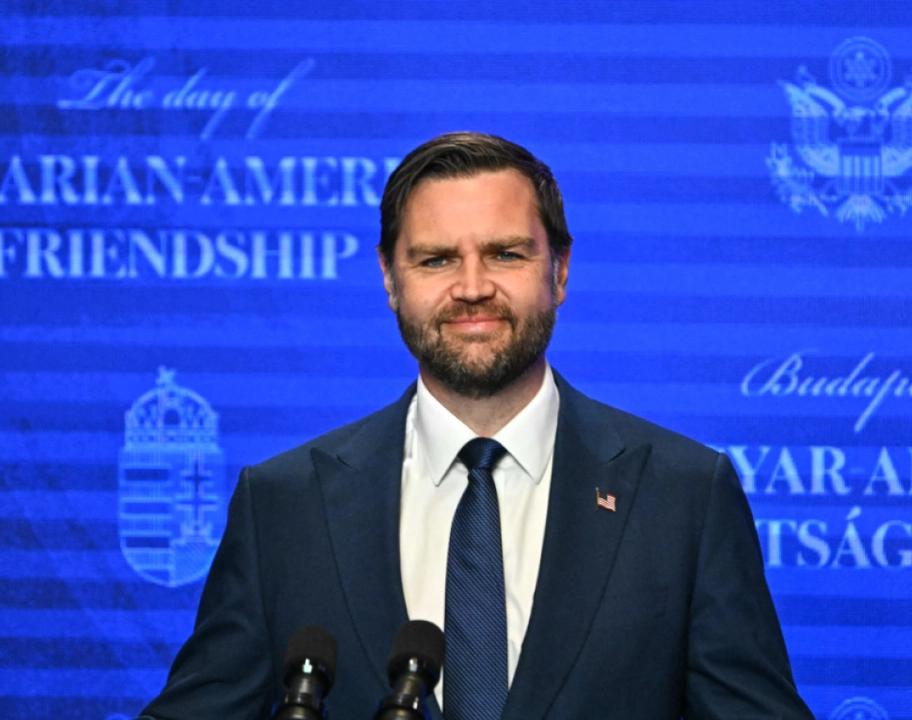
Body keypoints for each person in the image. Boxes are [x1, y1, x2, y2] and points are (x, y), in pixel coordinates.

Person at [137, 132, 814, 720]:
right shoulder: (284, 506)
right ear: (389, 279)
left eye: (505, 254)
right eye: (435, 259)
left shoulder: (684, 495)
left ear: (561, 271)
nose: (471, 287)